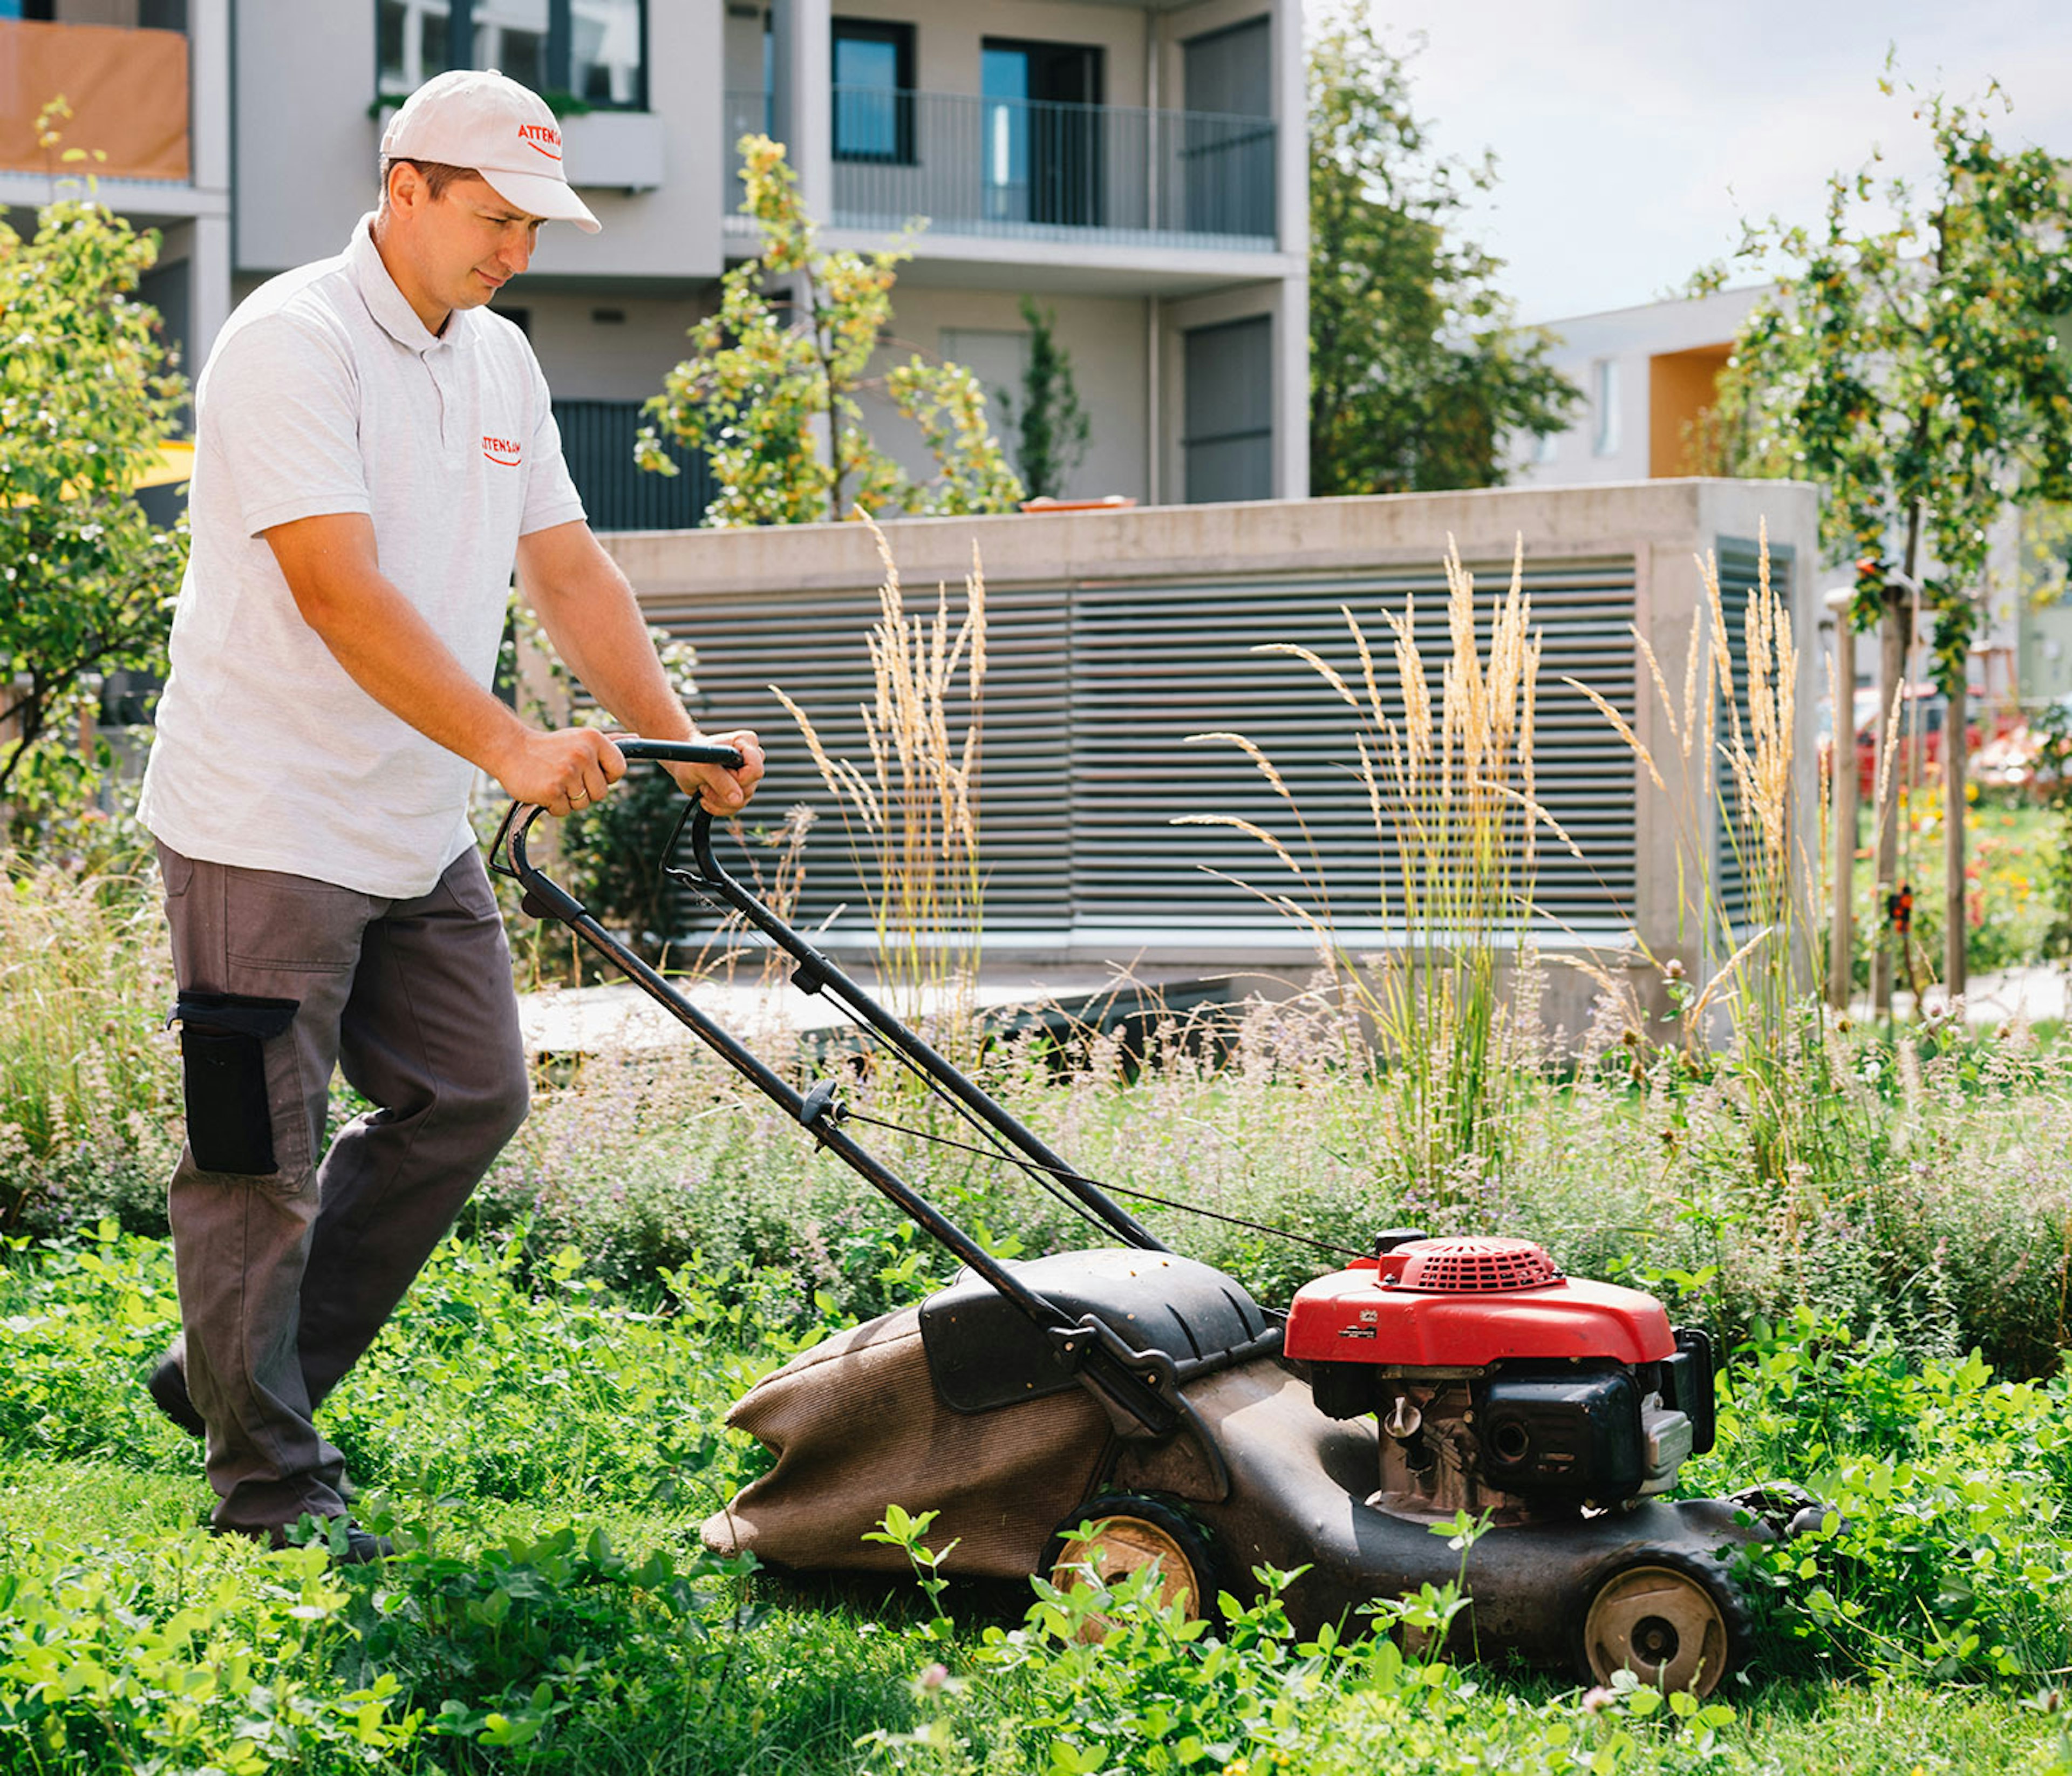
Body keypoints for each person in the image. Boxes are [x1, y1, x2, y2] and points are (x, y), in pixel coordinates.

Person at [134, 69, 764, 1558]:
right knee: (254, 1163)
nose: (518, 251)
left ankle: (229, 1378)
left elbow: (568, 570)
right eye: (494, 218)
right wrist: (509, 745)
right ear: (404, 184)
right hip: (261, 820)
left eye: (535, 225)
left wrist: (671, 738)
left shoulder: (501, 363)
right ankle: (269, 1483)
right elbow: (335, 587)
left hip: (408, 822)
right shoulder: (289, 341)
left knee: (471, 1092)